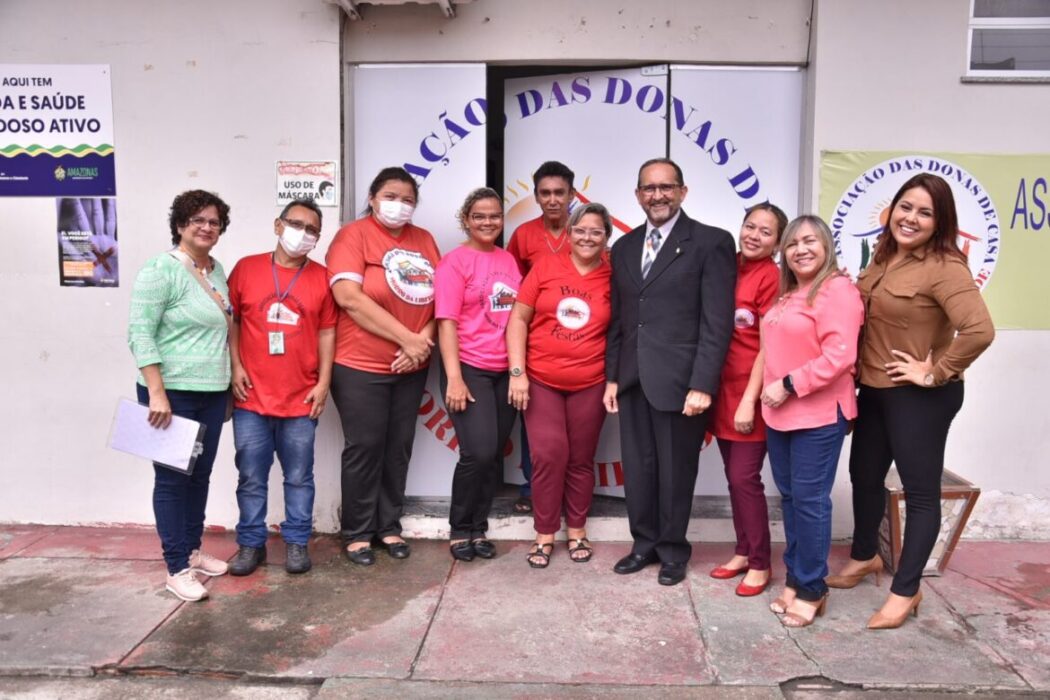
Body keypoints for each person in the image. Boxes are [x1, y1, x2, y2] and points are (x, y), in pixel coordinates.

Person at [828, 174, 995, 630]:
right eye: (905, 207)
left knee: (919, 495)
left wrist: (935, 370)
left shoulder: (945, 266)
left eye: (925, 212)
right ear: (892, 209)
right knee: (863, 475)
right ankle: (865, 557)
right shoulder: (881, 257)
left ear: (940, 222)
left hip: (921, 398)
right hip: (876, 391)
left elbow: (980, 330)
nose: (911, 218)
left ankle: (907, 589)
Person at [604, 158, 736, 586]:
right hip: (631, 378)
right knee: (639, 469)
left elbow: (716, 323)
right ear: (638, 194)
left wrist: (703, 383)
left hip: (681, 383)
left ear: (682, 191)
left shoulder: (710, 242)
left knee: (677, 469)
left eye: (666, 187)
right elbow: (622, 319)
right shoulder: (623, 247)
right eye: (648, 188)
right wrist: (612, 376)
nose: (657, 195)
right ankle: (643, 544)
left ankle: (674, 550)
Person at [326, 167, 441, 566]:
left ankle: (388, 525)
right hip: (360, 365)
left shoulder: (424, 239)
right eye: (391, 196)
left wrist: (420, 343)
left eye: (408, 199)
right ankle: (357, 532)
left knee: (398, 448)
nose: (399, 205)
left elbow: (439, 302)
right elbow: (349, 298)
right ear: (373, 198)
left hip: (412, 365)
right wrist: (407, 339)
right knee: (366, 447)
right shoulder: (352, 236)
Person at [127, 189, 233, 602]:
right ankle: (176, 567)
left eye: (214, 222)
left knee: (200, 475)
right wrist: (156, 392)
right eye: (197, 221)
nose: (206, 228)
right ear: (179, 226)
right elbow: (139, 333)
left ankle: (191, 548)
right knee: (172, 480)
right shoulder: (160, 270)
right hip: (170, 393)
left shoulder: (216, 270)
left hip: (211, 390)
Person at [760, 215, 864, 628]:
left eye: (810, 241)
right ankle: (796, 576)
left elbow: (840, 357)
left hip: (818, 414)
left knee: (810, 501)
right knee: (791, 499)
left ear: (826, 246)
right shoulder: (790, 293)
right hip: (780, 414)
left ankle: (812, 588)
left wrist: (787, 383)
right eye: (792, 244)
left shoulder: (837, 289)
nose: (801, 249)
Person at [225, 198, 337, 576]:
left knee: (299, 477)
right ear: (278, 225)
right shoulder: (246, 269)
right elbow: (233, 321)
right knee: (251, 477)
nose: (303, 234)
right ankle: (250, 544)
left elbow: (327, 332)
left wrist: (324, 382)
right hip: (251, 397)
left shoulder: (321, 277)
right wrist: (235, 366)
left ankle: (296, 543)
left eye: (312, 230)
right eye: (296, 224)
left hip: (300, 398)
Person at [507, 202, 613, 568]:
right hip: (541, 380)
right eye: (580, 230)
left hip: (591, 381)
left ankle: (578, 530)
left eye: (596, 231)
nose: (587, 237)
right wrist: (517, 373)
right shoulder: (546, 267)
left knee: (581, 459)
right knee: (548, 455)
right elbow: (518, 318)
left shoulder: (613, 275)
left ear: (606, 238)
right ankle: (545, 532)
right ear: (569, 234)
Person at [435, 188, 521, 561]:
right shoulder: (454, 262)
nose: (488, 223)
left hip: (505, 371)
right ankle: (459, 529)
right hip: (469, 368)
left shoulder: (509, 261)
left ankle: (479, 528)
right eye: (480, 216)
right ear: (466, 220)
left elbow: (517, 318)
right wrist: (454, 377)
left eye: (495, 216)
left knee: (492, 455)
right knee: (478, 452)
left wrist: (518, 370)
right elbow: (446, 322)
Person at [708, 203, 788, 596]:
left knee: (745, 479)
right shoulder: (727, 263)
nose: (754, 235)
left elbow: (768, 346)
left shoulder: (772, 277)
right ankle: (742, 551)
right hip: (720, 389)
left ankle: (760, 562)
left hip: (749, 393)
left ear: (778, 242)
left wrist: (748, 401)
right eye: (749, 226)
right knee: (734, 480)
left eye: (766, 232)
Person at [505, 160, 577, 515]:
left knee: (573, 427)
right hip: (535, 342)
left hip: (578, 342)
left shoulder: (584, 232)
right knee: (533, 420)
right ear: (535, 196)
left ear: (572, 195)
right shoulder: (523, 235)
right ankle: (532, 487)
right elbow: (514, 290)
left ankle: (568, 491)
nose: (552, 200)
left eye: (559, 193)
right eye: (545, 193)